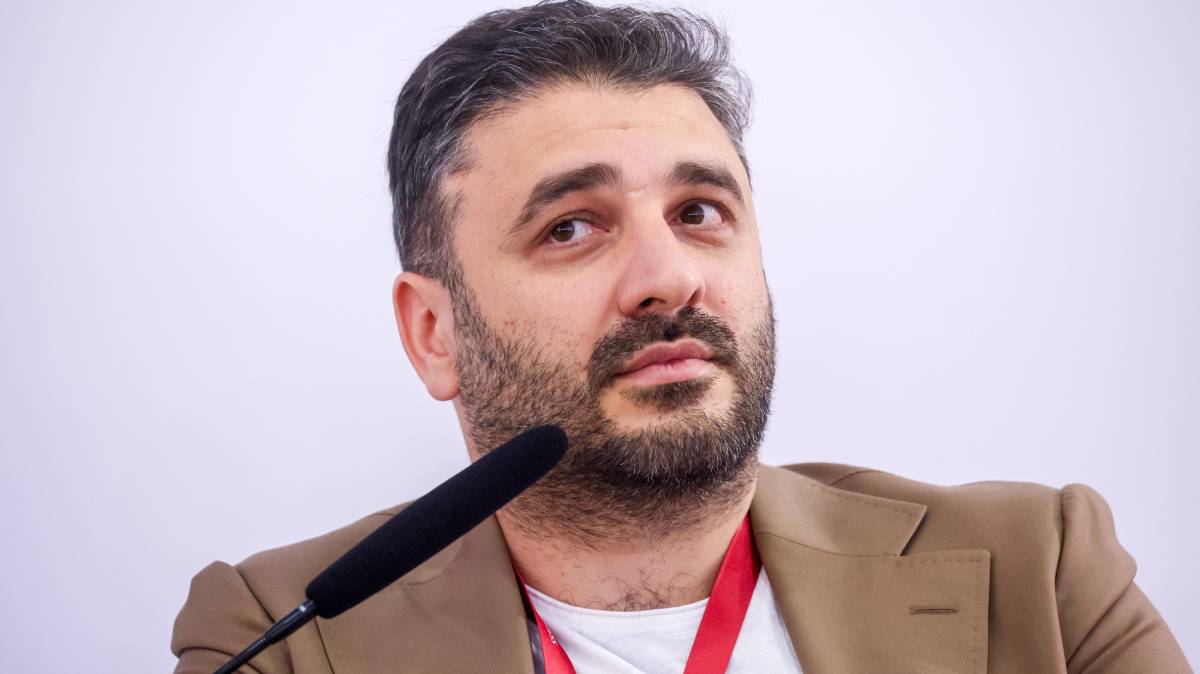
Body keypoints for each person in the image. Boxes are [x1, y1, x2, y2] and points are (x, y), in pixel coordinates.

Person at [171, 2, 1191, 672]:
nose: (669, 277)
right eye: (571, 227)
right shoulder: (284, 632)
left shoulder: (1040, 569)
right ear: (434, 332)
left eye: (700, 211)